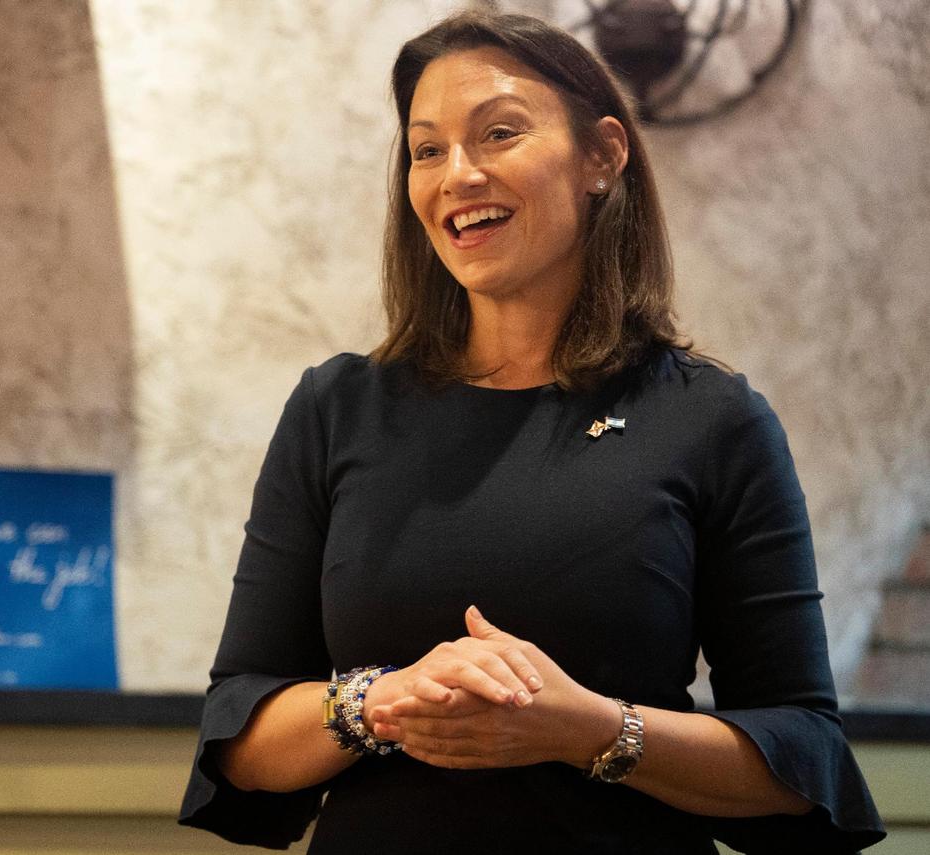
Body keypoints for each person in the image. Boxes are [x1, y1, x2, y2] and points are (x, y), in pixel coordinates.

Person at [179, 11, 885, 854]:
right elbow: (241, 740)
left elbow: (800, 757)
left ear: (602, 156)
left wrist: (585, 728)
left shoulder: (714, 419)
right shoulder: (335, 407)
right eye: (428, 149)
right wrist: (382, 700)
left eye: (499, 134)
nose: (458, 175)